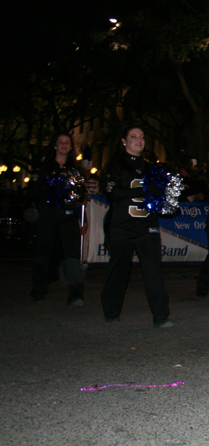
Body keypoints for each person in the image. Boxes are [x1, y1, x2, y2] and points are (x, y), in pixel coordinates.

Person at [100, 126, 172, 327]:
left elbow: (161, 196)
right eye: (133, 137)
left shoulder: (151, 167)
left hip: (146, 225)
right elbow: (113, 193)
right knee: (119, 270)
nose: (139, 140)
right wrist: (143, 191)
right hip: (121, 225)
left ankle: (160, 315)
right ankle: (111, 311)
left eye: (142, 137)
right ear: (124, 141)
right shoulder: (114, 165)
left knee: (153, 270)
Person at [29, 134, 85, 306]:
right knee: (43, 254)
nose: (63, 145)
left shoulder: (74, 170)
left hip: (68, 217)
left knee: (73, 256)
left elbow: (81, 195)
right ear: (54, 145)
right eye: (60, 142)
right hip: (48, 216)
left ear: (70, 147)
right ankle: (38, 291)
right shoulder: (44, 167)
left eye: (67, 143)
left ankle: (75, 295)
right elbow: (34, 190)